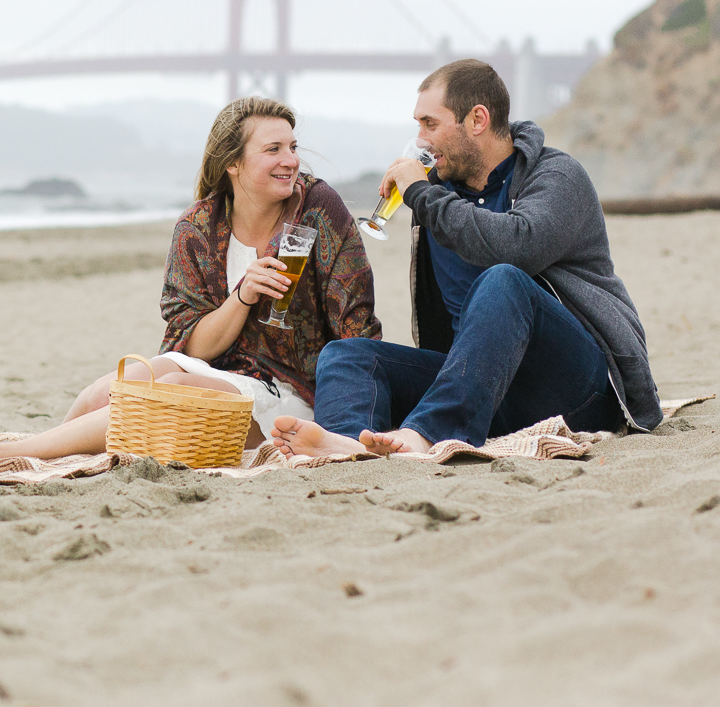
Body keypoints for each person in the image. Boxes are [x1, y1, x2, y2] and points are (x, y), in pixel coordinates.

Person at [0, 97, 382, 469]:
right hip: (220, 372)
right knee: (106, 391)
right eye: (273, 150)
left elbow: (355, 325)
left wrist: (344, 422)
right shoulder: (198, 228)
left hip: (293, 392)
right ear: (233, 165)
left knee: (160, 394)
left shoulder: (317, 208)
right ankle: (42, 457)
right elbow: (190, 348)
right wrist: (243, 295)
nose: (291, 161)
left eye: (293, 147)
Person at [270, 59, 661, 460]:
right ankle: (350, 445)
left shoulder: (557, 176)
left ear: (477, 119)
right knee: (346, 354)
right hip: (483, 389)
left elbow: (516, 246)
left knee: (502, 280)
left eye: (430, 124)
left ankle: (426, 435)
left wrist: (422, 193)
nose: (420, 140)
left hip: (579, 389)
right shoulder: (440, 192)